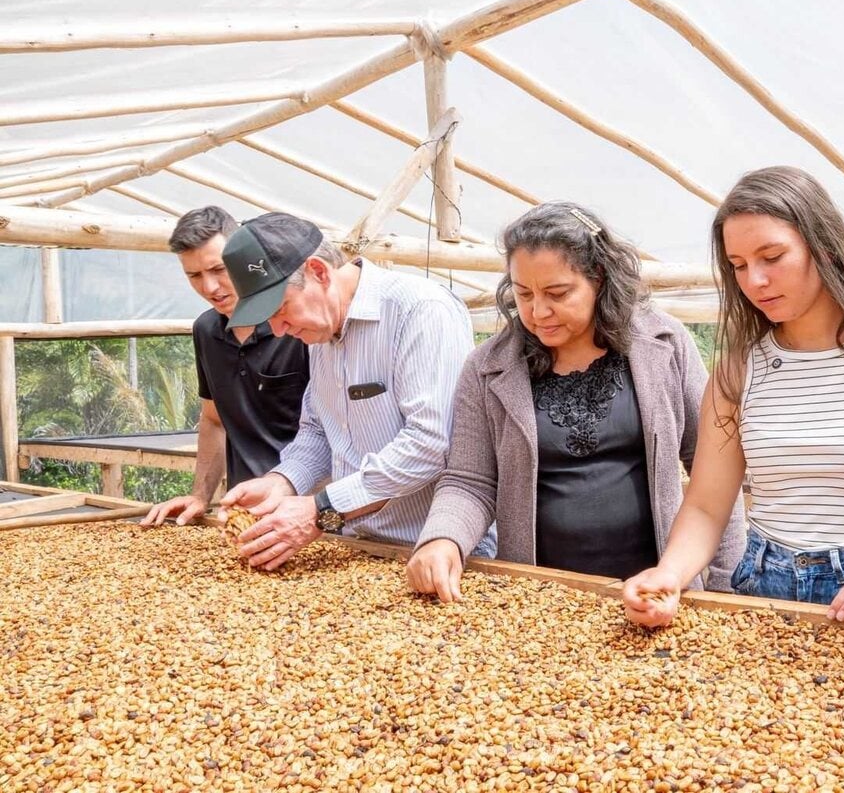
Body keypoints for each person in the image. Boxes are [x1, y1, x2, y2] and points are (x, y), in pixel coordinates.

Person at [622, 166, 844, 626]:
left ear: (824, 247)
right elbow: (708, 504)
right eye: (739, 265)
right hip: (764, 584)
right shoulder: (737, 369)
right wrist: (669, 574)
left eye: (772, 257)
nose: (755, 281)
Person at [406, 203, 746, 602]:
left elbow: (713, 472)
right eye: (523, 293)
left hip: (658, 592)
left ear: (598, 278)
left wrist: (725, 583)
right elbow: (470, 479)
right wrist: (443, 537)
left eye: (557, 293)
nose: (537, 311)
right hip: (539, 595)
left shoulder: (666, 345)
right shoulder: (488, 368)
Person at [215, 212, 491, 570]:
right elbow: (318, 430)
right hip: (357, 549)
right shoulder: (320, 333)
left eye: (280, 308)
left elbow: (430, 444)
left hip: (435, 553)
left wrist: (320, 510)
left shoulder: (420, 310)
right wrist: (282, 482)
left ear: (319, 272)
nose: (278, 330)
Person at [141, 206, 308, 528]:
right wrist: (200, 496)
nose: (210, 288)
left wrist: (312, 507)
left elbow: (335, 432)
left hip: (303, 514)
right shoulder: (206, 331)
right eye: (194, 276)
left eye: (218, 269)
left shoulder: (298, 328)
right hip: (241, 517)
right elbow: (214, 419)